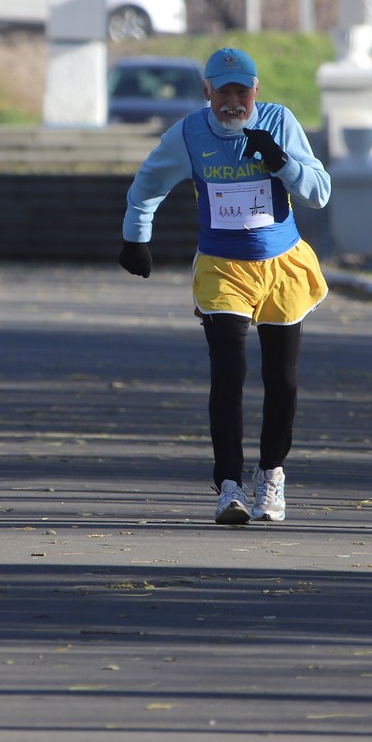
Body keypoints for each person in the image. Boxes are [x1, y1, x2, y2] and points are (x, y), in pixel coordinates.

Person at [118, 47, 332, 525]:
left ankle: (272, 476)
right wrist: (136, 238)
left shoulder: (279, 122)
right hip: (222, 267)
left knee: (282, 379)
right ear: (207, 92)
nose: (233, 101)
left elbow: (319, 192)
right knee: (229, 373)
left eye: (242, 91)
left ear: (256, 91)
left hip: (282, 265)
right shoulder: (190, 134)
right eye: (223, 92)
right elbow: (147, 183)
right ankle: (230, 486)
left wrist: (280, 161)